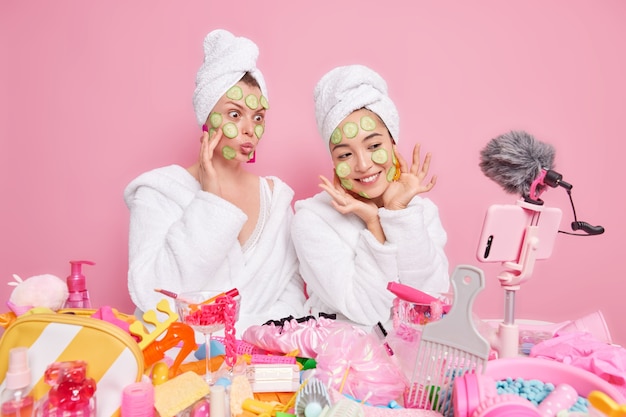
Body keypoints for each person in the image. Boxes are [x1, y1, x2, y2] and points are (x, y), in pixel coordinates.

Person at [124, 29, 306, 333]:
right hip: (178, 362)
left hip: (258, 361)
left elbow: (289, 293)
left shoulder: (276, 200)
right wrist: (210, 201)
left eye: (258, 117)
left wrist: (249, 337)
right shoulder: (159, 192)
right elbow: (152, 293)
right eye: (235, 114)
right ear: (207, 117)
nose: (250, 129)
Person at [291, 64, 450, 328]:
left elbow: (429, 304)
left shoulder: (420, 211)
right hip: (342, 361)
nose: (363, 164)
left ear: (393, 143)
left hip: (415, 359)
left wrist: (398, 213)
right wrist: (374, 225)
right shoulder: (312, 221)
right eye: (345, 154)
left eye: (374, 145)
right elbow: (366, 312)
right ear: (333, 162)